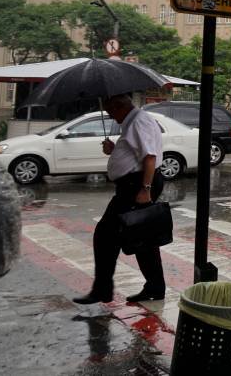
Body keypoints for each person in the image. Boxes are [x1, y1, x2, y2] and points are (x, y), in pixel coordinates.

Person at [73, 94, 166, 304]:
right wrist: (115, 151)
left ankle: (103, 290)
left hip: (137, 185)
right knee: (142, 238)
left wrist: (145, 189)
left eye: (110, 111)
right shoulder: (133, 121)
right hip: (134, 184)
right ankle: (155, 286)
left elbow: (150, 157)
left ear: (119, 106)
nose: (110, 116)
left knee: (105, 235)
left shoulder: (139, 121)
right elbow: (137, 154)